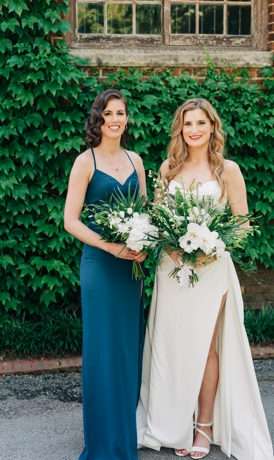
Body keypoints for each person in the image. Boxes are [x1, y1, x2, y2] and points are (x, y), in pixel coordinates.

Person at [137, 98, 273, 459]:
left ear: (213, 127)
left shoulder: (228, 169)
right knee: (172, 345)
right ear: (180, 130)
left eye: (201, 123)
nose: (194, 129)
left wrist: (213, 247)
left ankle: (205, 427)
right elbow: (158, 221)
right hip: (172, 267)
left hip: (212, 269)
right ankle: (176, 422)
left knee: (205, 345)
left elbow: (242, 223)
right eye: (187, 124)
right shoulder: (167, 168)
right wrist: (174, 250)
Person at [64, 89, 147, 460]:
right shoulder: (85, 161)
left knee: (128, 350)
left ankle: (123, 439)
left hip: (133, 267)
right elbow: (70, 221)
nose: (115, 119)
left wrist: (146, 242)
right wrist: (111, 246)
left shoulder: (137, 160)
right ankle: (102, 445)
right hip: (100, 266)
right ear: (97, 118)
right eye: (108, 113)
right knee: (102, 351)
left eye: (121, 113)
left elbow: (146, 212)